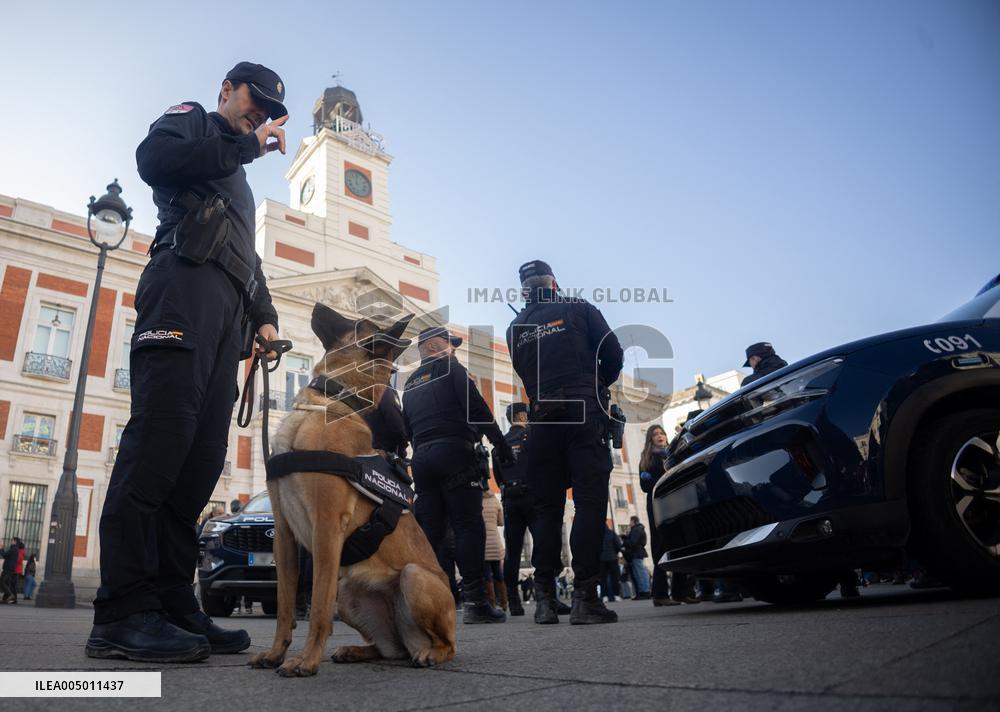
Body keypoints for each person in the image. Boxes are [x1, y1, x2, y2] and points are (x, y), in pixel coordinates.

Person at [87, 62, 289, 663]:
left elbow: (246, 255)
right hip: (180, 291)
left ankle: (175, 604)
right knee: (157, 447)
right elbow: (156, 163)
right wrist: (245, 145)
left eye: (269, 110)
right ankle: (122, 613)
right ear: (226, 90)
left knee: (199, 464)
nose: (261, 115)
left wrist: (265, 316)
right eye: (255, 101)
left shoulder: (237, 176)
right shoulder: (192, 124)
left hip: (228, 318)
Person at [507, 260, 624, 625]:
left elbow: (523, 372)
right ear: (554, 283)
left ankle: (544, 600)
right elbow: (614, 354)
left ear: (525, 290)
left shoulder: (515, 327)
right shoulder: (580, 308)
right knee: (589, 503)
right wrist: (596, 383)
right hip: (582, 412)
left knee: (547, 510)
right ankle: (585, 598)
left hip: (541, 420)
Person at [402, 326, 514, 624]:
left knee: (433, 532)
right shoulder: (451, 368)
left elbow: (406, 428)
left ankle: (435, 602)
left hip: (423, 459)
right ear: (430, 346)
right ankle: (477, 601)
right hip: (454, 452)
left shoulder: (409, 383)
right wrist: (500, 443)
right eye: (447, 344)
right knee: (467, 526)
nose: (452, 350)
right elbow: (476, 407)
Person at [639, 424, 700, 606]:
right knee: (660, 547)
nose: (659, 436)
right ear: (650, 439)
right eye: (655, 434)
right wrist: (649, 479)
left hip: (679, 502)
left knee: (681, 544)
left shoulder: (673, 453)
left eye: (661, 433)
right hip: (659, 505)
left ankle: (681, 592)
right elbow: (645, 488)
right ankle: (659, 594)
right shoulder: (647, 459)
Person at [481, 485, 506, 610]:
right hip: (495, 543)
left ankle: (492, 604)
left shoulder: (476, 502)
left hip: (483, 544)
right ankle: (504, 603)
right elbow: (501, 522)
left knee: (487, 576)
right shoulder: (495, 500)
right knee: (499, 574)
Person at [624, 516, 652, 600]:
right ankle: (642, 592)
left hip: (637, 553)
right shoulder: (638, 529)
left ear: (633, 521)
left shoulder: (637, 529)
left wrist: (625, 540)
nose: (629, 523)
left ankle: (645, 592)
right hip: (636, 553)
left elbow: (633, 541)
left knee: (640, 573)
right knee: (638, 573)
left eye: (630, 521)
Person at [599, 526, 623, 602]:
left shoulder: (597, 534)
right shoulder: (612, 533)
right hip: (612, 558)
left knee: (603, 578)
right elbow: (618, 544)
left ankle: (604, 596)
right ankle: (616, 595)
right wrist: (615, 553)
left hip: (601, 559)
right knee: (615, 578)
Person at [1, 538, 19, 604]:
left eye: (12, 540)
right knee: (6, 582)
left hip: (8, 568)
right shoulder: (14, 549)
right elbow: (6, 556)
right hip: (10, 568)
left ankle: (10, 594)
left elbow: (4, 555)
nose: (11, 541)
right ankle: (4, 599)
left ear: (15, 542)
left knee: (2, 581)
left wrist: (1, 549)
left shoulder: (14, 549)